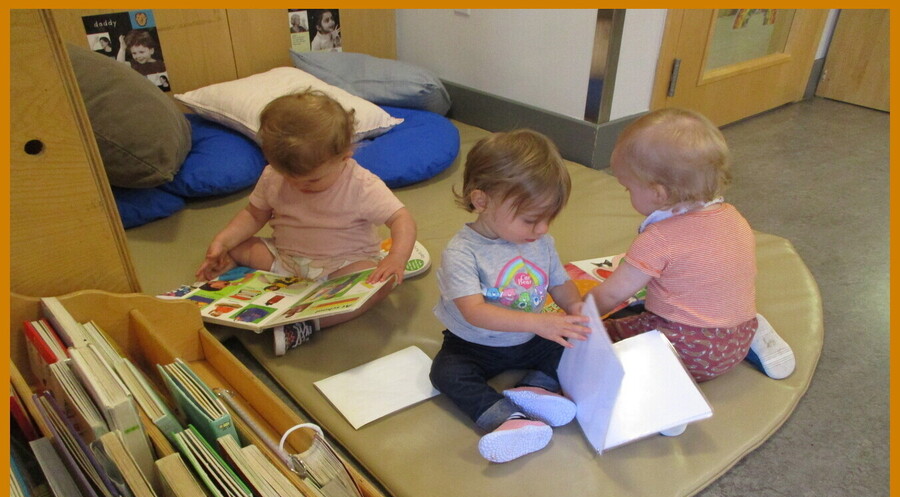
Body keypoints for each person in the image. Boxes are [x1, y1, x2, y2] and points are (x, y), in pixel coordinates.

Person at [583, 108, 795, 408]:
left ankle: (663, 396)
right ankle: (755, 335)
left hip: (683, 352)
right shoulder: (733, 217)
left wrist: (579, 313)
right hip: (737, 337)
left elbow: (612, 293)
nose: (626, 193)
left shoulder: (658, 239)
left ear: (658, 193)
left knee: (603, 337)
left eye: (627, 187)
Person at [196, 90, 416, 355]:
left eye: (311, 180)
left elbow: (401, 218)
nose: (298, 185)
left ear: (344, 156)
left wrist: (397, 257)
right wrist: (223, 242)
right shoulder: (273, 176)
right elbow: (255, 214)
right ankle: (229, 273)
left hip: (342, 266)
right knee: (240, 246)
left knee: (377, 284)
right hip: (284, 259)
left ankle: (309, 324)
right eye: (288, 176)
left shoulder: (361, 185)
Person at [429, 130, 590, 464]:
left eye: (549, 218)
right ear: (482, 201)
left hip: (532, 337)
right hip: (473, 344)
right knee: (446, 374)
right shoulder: (462, 252)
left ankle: (538, 389)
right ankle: (507, 419)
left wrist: (576, 310)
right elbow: (474, 311)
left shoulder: (540, 242)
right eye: (532, 219)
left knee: (572, 344)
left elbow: (559, 283)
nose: (543, 228)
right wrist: (540, 321)